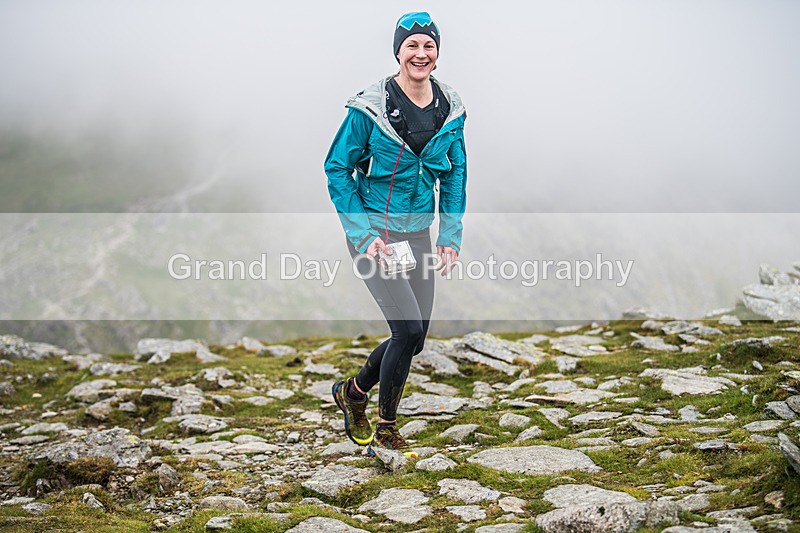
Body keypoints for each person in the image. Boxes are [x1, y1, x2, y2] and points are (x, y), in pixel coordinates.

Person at [325, 12, 467, 457]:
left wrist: (450, 235)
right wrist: (364, 235)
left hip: (417, 237)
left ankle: (352, 391)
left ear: (437, 53)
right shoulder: (368, 110)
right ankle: (387, 427)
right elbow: (337, 170)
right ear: (398, 52)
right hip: (378, 238)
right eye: (412, 46)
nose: (420, 54)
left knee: (417, 336)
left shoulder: (450, 109)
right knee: (405, 330)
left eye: (428, 46)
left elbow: (457, 172)